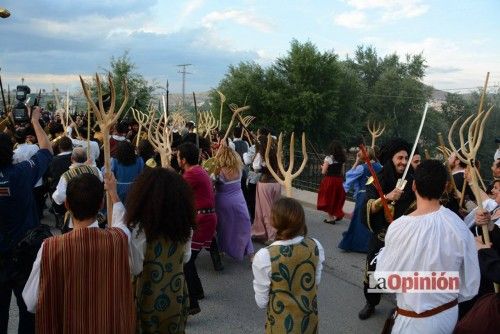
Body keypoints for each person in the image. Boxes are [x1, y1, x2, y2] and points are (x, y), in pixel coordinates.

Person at [374, 160, 480, 333]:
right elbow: (470, 282)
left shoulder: (399, 227)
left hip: (411, 321)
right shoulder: (459, 227)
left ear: (414, 185)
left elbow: (384, 280)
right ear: (446, 186)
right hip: (446, 315)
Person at [22, 173, 136, 333]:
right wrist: (114, 194)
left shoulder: (50, 248)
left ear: (67, 204)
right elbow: (122, 222)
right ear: (101, 204)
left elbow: (31, 301)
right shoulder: (118, 239)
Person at [0, 106, 53, 334]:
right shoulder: (21, 173)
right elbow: (46, 150)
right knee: (28, 311)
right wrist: (35, 121)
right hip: (25, 254)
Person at [125, 168, 195, 333]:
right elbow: (186, 258)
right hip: (176, 293)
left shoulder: (139, 229)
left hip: (147, 296)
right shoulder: (186, 227)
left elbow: (135, 268)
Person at [359, 138, 415, 320]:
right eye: (400, 158)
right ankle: (371, 302)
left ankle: (403, 308)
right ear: (391, 158)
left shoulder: (413, 180)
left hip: (404, 239)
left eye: (406, 158)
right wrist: (386, 197)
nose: (404, 162)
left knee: (403, 275)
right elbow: (367, 205)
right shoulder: (377, 179)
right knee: (374, 272)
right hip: (382, 236)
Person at [252, 198, 325, 333]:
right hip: (308, 323)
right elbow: (316, 282)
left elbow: (261, 302)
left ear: (274, 222)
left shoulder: (264, 256)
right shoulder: (316, 245)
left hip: (281, 325)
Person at [177, 142, 219, 315]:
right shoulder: (198, 170)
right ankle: (198, 291)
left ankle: (192, 303)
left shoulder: (192, 174)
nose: (176, 158)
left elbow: (176, 190)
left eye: (178, 156)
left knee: (186, 261)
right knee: (190, 259)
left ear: (183, 159)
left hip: (202, 220)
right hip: (205, 218)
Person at [339, 147, 382, 252]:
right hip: (376, 197)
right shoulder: (381, 167)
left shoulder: (362, 168)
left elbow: (349, 176)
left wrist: (357, 161)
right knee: (371, 220)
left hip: (363, 196)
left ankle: (358, 245)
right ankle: (370, 245)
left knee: (359, 221)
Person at [214, 146, 253, 261]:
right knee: (244, 225)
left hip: (222, 201)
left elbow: (211, 181)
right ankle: (251, 254)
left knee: (223, 226)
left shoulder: (218, 171)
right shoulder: (239, 169)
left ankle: (221, 250)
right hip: (239, 200)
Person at [317, 140, 347, 224]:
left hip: (329, 180)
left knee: (329, 199)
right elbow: (342, 172)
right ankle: (336, 214)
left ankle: (331, 218)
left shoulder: (328, 158)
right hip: (338, 180)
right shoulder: (342, 159)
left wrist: (322, 167)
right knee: (336, 198)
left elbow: (323, 172)